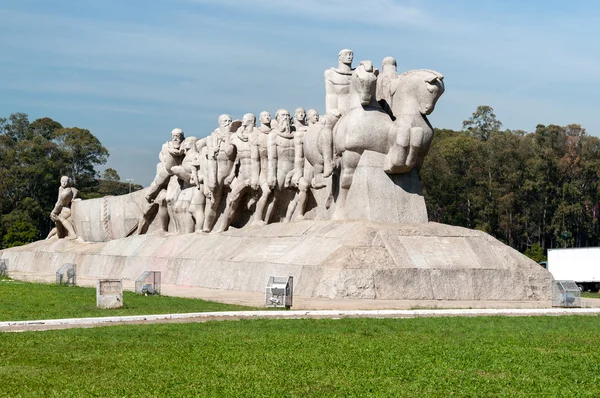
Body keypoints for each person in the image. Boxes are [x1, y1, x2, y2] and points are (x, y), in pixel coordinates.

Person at [218, 113, 258, 232]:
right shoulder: (236, 137)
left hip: (255, 173)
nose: (244, 120)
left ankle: (257, 223)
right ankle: (223, 227)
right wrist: (227, 136)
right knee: (231, 201)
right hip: (242, 174)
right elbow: (229, 154)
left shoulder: (257, 135)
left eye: (247, 119)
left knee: (257, 200)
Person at [324, 49, 354, 116]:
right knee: (329, 121)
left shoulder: (357, 73)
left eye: (351, 55)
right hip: (339, 110)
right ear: (340, 57)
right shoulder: (331, 74)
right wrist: (332, 109)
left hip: (355, 110)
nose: (349, 57)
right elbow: (331, 95)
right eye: (345, 55)